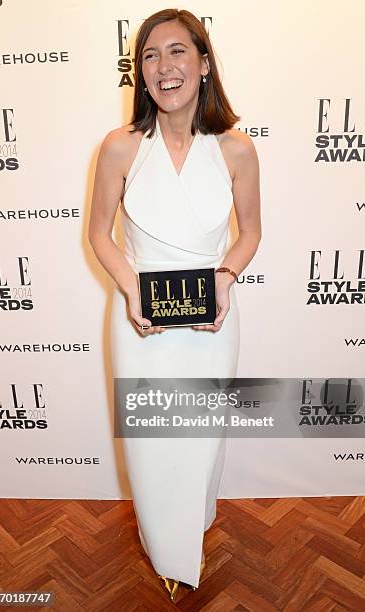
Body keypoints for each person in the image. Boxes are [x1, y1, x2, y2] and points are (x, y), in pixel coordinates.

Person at [88, 8, 261, 602]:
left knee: (201, 437)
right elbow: (99, 236)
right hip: (140, 321)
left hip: (211, 319)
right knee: (151, 441)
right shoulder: (119, 148)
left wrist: (226, 274)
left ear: (204, 63)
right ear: (140, 72)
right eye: (151, 56)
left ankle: (194, 528)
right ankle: (167, 550)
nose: (164, 67)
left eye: (177, 52)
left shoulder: (237, 149)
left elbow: (250, 232)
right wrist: (132, 287)